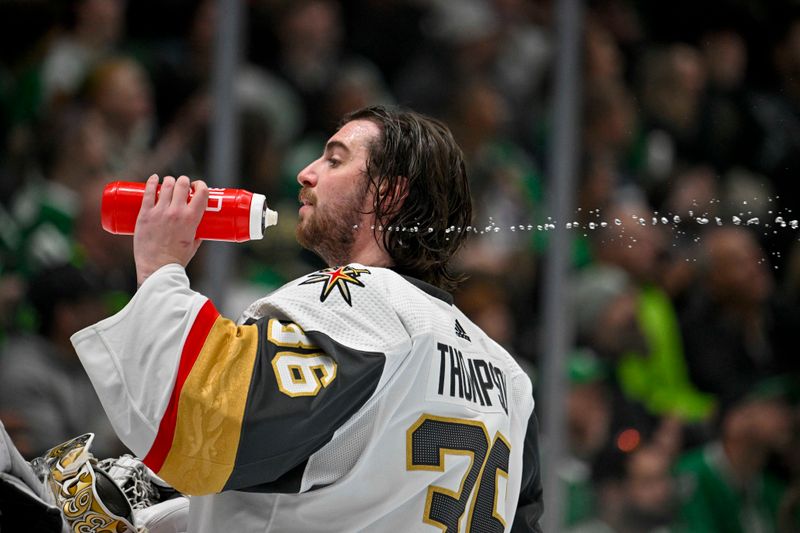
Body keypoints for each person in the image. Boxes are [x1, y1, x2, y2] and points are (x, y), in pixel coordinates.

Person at [70, 105, 543, 532]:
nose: (306, 173)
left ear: (390, 193)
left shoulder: (358, 298)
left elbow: (206, 427)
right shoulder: (509, 378)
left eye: (335, 160)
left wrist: (160, 268)